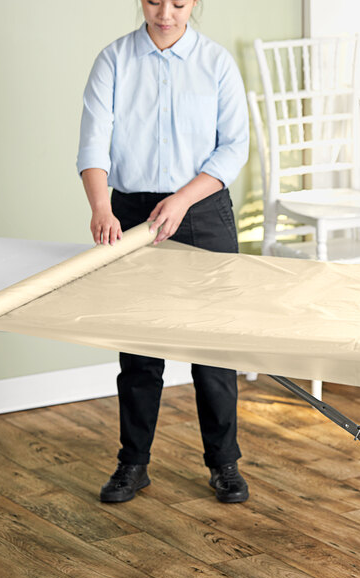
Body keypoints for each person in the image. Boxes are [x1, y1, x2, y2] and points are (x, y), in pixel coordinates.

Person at [77, 0, 249, 503]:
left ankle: (224, 464)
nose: (166, 13)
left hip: (201, 209)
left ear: (196, 3)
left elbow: (234, 145)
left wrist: (182, 198)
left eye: (179, 2)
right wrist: (100, 207)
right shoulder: (113, 60)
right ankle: (132, 465)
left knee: (212, 348)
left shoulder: (216, 63)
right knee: (139, 348)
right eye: (155, 0)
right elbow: (93, 143)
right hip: (128, 213)